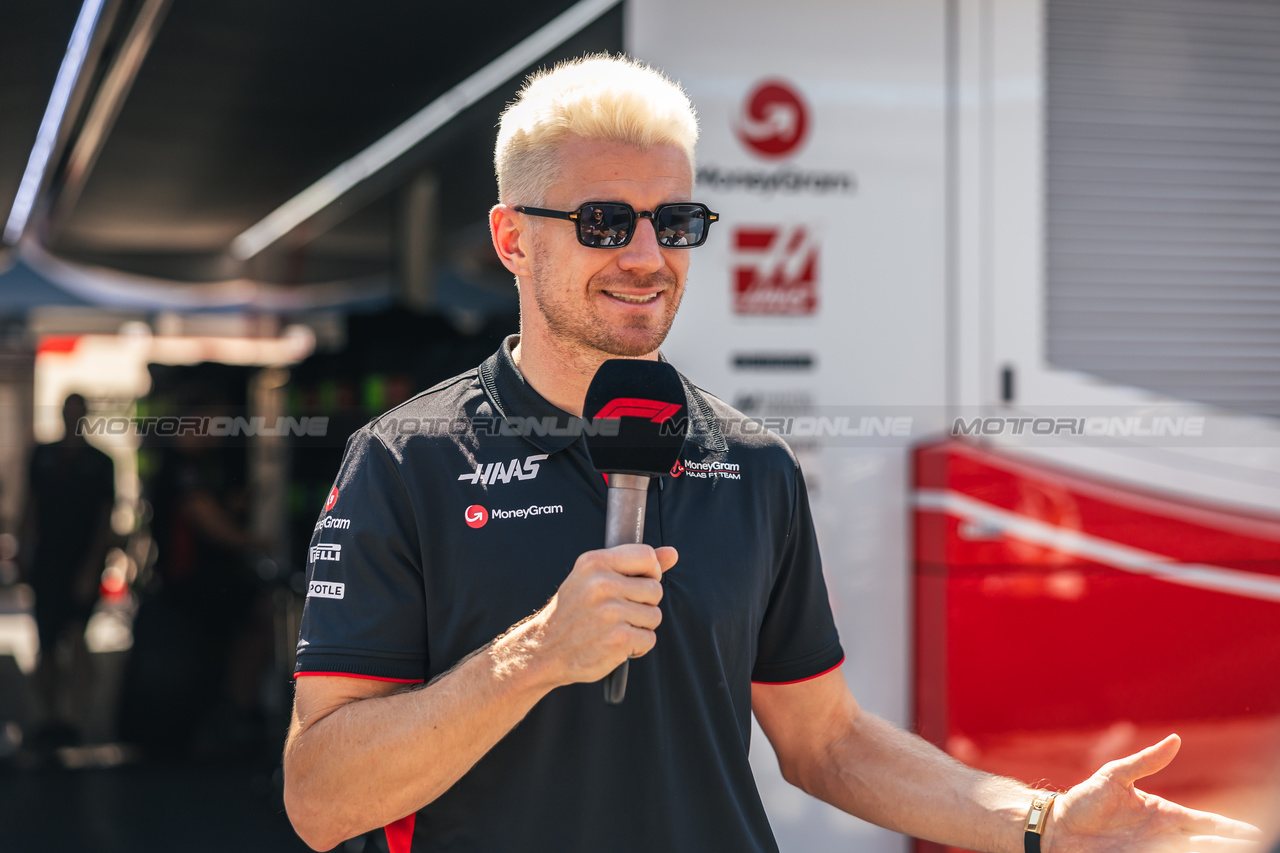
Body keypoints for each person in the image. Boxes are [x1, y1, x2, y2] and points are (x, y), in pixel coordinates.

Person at [283, 55, 1261, 853]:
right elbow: (321, 799)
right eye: (600, 222)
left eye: (673, 222)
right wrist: (533, 655)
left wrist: (1039, 820)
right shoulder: (404, 463)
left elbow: (823, 740)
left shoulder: (748, 464)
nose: (643, 254)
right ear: (511, 239)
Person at [20, 393, 114, 745]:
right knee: (45, 642)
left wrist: (92, 568)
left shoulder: (100, 461)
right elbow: (30, 507)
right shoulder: (43, 455)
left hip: (80, 559)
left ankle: (76, 715)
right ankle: (49, 717)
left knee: (76, 636)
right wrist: (22, 553)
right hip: (47, 558)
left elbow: (105, 519)